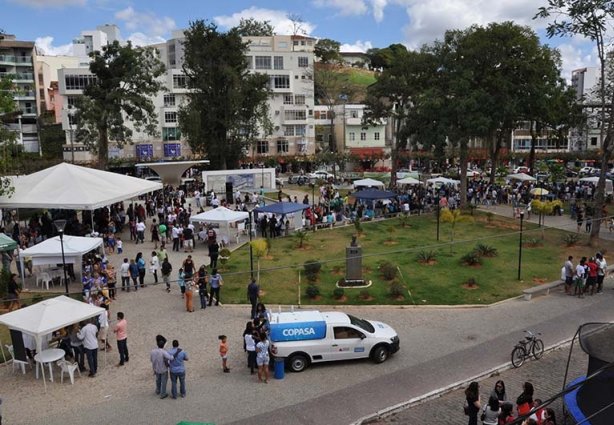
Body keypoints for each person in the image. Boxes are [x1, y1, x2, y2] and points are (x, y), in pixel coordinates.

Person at [150, 335, 173, 399]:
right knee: (164, 381)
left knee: (158, 380)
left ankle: (158, 390)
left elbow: (151, 360)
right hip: (163, 369)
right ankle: (163, 393)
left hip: (156, 369)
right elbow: (170, 358)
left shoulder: (153, 351)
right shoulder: (163, 352)